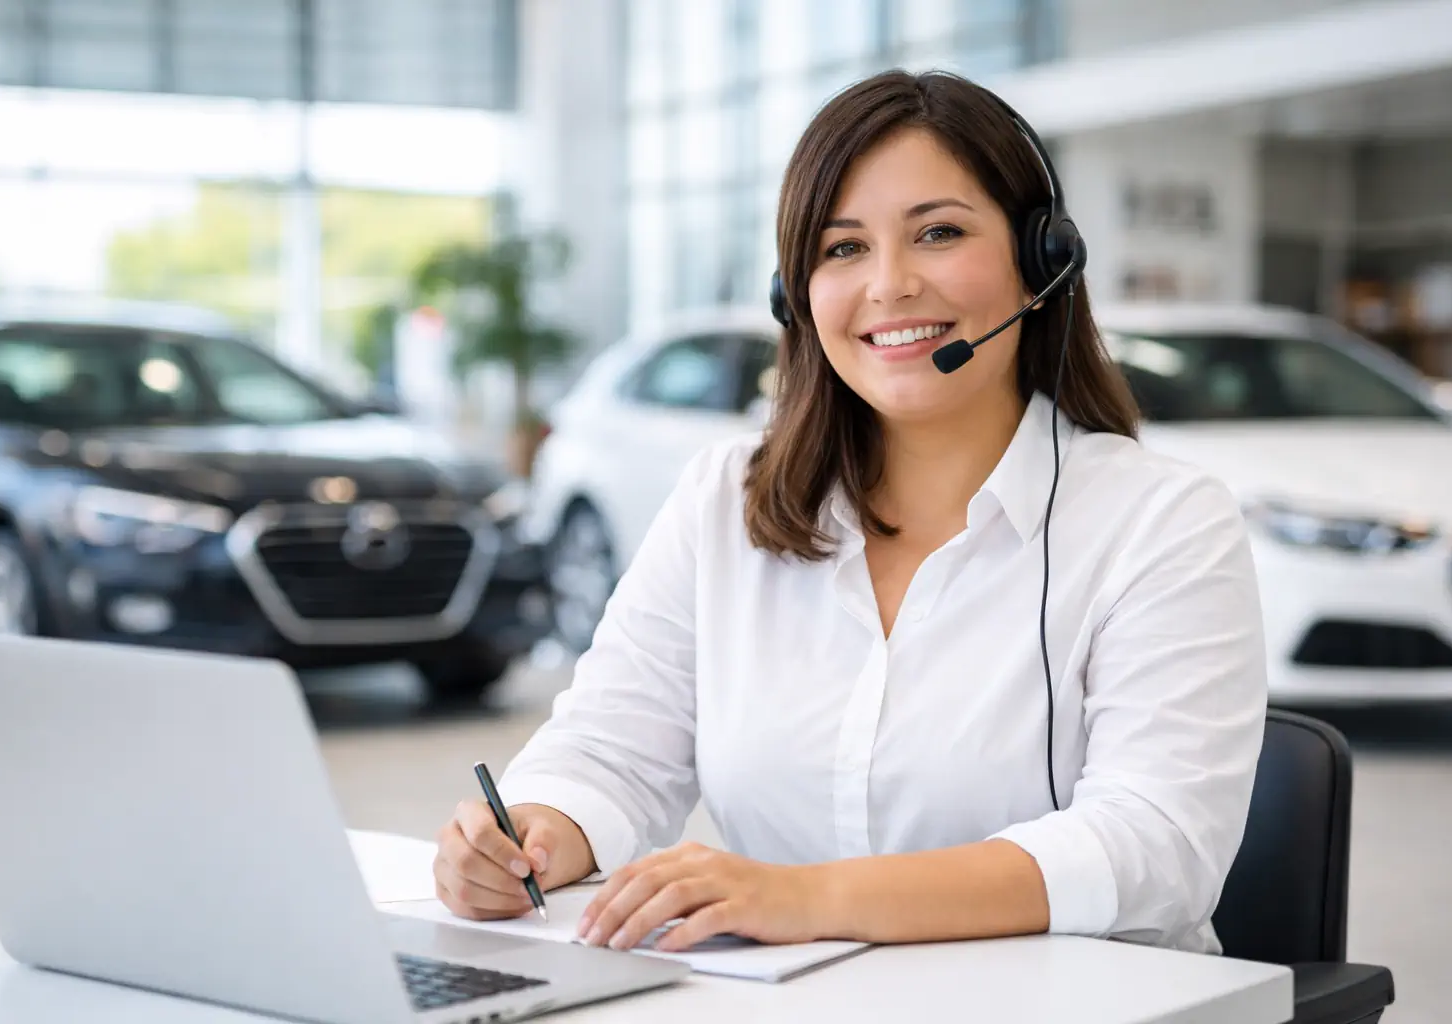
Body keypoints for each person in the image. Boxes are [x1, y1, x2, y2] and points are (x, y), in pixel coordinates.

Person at [432, 69, 1267, 957]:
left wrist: (810, 899)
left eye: (938, 233)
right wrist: (536, 832)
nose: (890, 285)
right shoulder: (729, 498)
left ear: (1042, 257)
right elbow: (611, 749)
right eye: (843, 249)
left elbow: (1157, 843)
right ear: (796, 295)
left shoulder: (1163, 522)